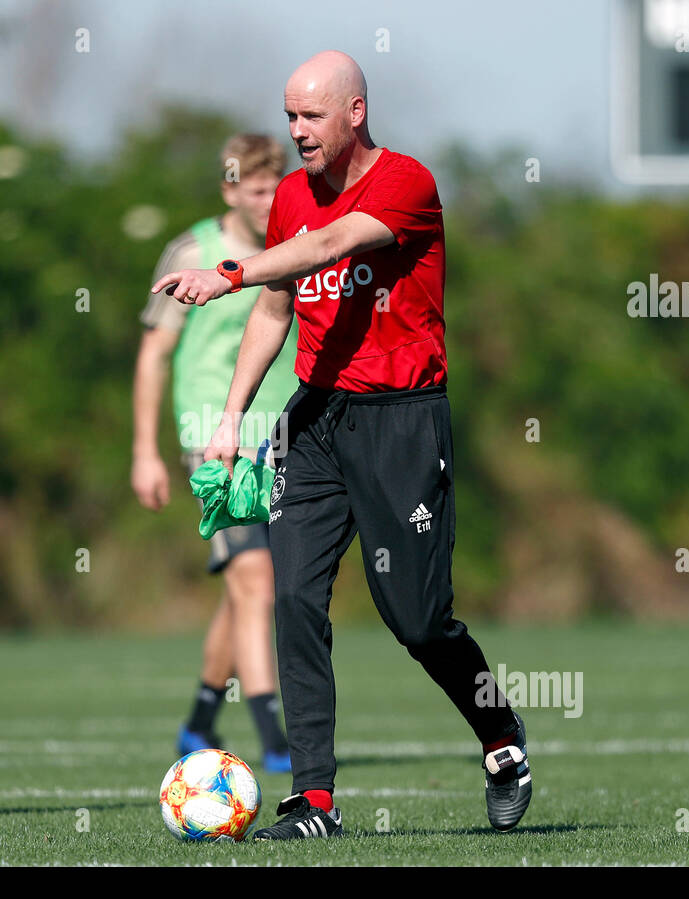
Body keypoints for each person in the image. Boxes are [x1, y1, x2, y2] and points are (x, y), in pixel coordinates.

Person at [151, 51, 532, 840]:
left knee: (419, 621)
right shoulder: (288, 193)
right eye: (289, 115)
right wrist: (232, 417)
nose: (296, 132)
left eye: (311, 117)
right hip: (314, 420)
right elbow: (276, 309)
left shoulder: (407, 184)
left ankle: (500, 738)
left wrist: (230, 272)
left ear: (355, 112)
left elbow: (326, 250)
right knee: (291, 597)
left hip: (402, 420)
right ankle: (313, 799)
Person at [133, 134, 296, 773]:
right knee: (256, 580)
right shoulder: (192, 251)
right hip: (212, 436)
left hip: (280, 435)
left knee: (246, 587)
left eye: (274, 188)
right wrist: (146, 451)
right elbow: (155, 354)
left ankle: (201, 718)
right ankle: (276, 741)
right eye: (255, 190)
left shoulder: (295, 248)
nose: (267, 201)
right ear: (230, 188)